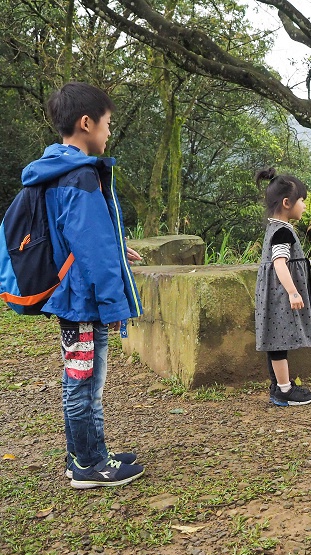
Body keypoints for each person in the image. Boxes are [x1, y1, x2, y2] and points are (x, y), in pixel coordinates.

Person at [21, 82, 145, 488]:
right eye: (107, 124)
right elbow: (89, 250)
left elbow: (76, 236)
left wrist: (116, 248)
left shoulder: (56, 170)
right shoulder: (80, 177)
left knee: (79, 379)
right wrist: (114, 308)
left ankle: (83, 455)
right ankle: (90, 465)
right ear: (86, 122)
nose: (109, 132)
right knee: (84, 383)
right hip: (83, 301)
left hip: (71, 297)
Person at [254, 167, 311, 406]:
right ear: (286, 203)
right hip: (280, 295)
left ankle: (278, 386)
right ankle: (284, 389)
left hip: (273, 294)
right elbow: (279, 263)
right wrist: (293, 292)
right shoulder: (282, 232)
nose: (304, 206)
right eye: (301, 200)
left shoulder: (276, 228)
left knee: (276, 339)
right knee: (279, 341)